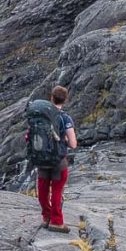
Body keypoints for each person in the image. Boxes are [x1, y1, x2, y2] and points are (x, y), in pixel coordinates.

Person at [32, 85, 77, 233]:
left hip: (42, 159)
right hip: (58, 161)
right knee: (57, 190)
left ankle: (46, 217)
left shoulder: (41, 115)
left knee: (43, 189)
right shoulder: (65, 118)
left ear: (51, 98)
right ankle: (57, 221)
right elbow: (73, 144)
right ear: (65, 100)